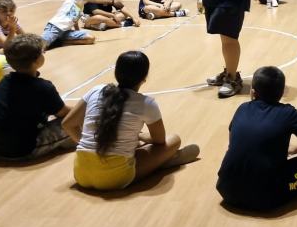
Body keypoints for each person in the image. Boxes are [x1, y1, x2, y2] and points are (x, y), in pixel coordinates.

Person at [62, 51, 200, 190]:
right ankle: (164, 161)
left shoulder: (96, 90)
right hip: (115, 179)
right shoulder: (146, 103)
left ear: (116, 72)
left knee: (129, 144)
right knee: (174, 140)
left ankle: (151, 159)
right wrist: (139, 135)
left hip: (81, 173)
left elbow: (67, 124)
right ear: (144, 77)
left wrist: (88, 144)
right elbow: (159, 140)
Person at [217, 65, 297, 211]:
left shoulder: (242, 108)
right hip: (267, 198)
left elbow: (233, 143)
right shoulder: (289, 113)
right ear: (282, 93)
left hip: (226, 190)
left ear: (253, 93)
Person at [0, 34, 75, 160]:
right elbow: (64, 113)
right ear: (36, 61)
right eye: (43, 52)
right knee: (77, 122)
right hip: (21, 150)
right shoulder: (42, 87)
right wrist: (84, 109)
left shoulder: (5, 81)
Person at [41, 0, 116, 48]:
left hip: (65, 31)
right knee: (39, 46)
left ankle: (59, 41)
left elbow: (75, 21)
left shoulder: (81, 5)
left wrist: (77, 31)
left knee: (91, 39)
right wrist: (110, 0)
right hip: (55, 27)